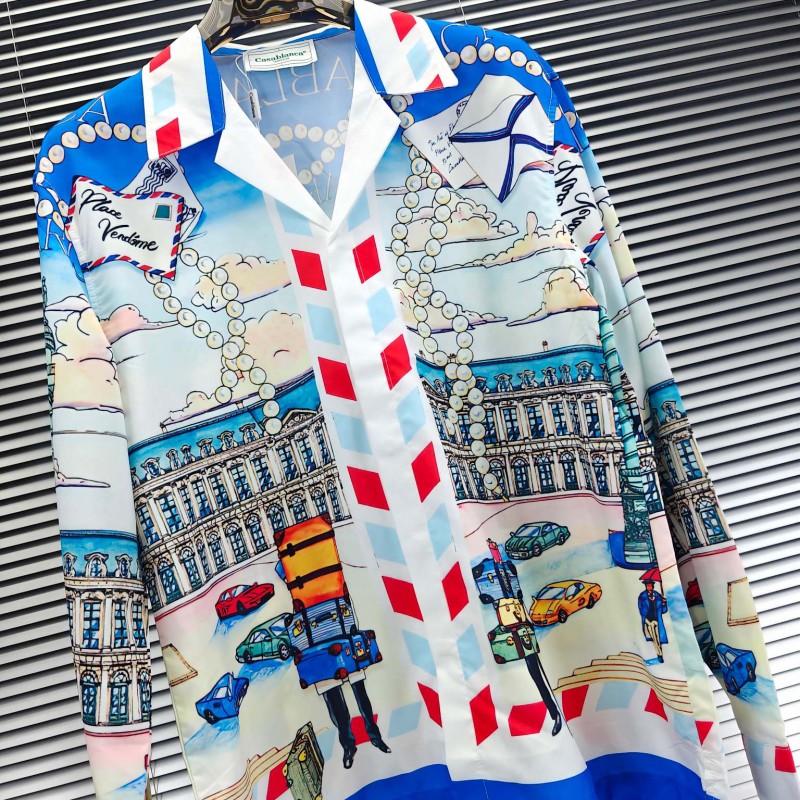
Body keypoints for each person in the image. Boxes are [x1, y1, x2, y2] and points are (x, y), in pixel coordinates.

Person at [638, 579, 668, 662]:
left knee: (657, 637)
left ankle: (660, 653)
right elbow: (640, 608)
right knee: (654, 637)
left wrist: (664, 603)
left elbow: (663, 610)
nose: (649, 587)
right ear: (646, 586)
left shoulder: (657, 595)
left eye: (650, 585)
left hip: (656, 619)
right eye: (648, 585)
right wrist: (645, 615)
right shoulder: (642, 596)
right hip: (648, 620)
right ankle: (659, 654)